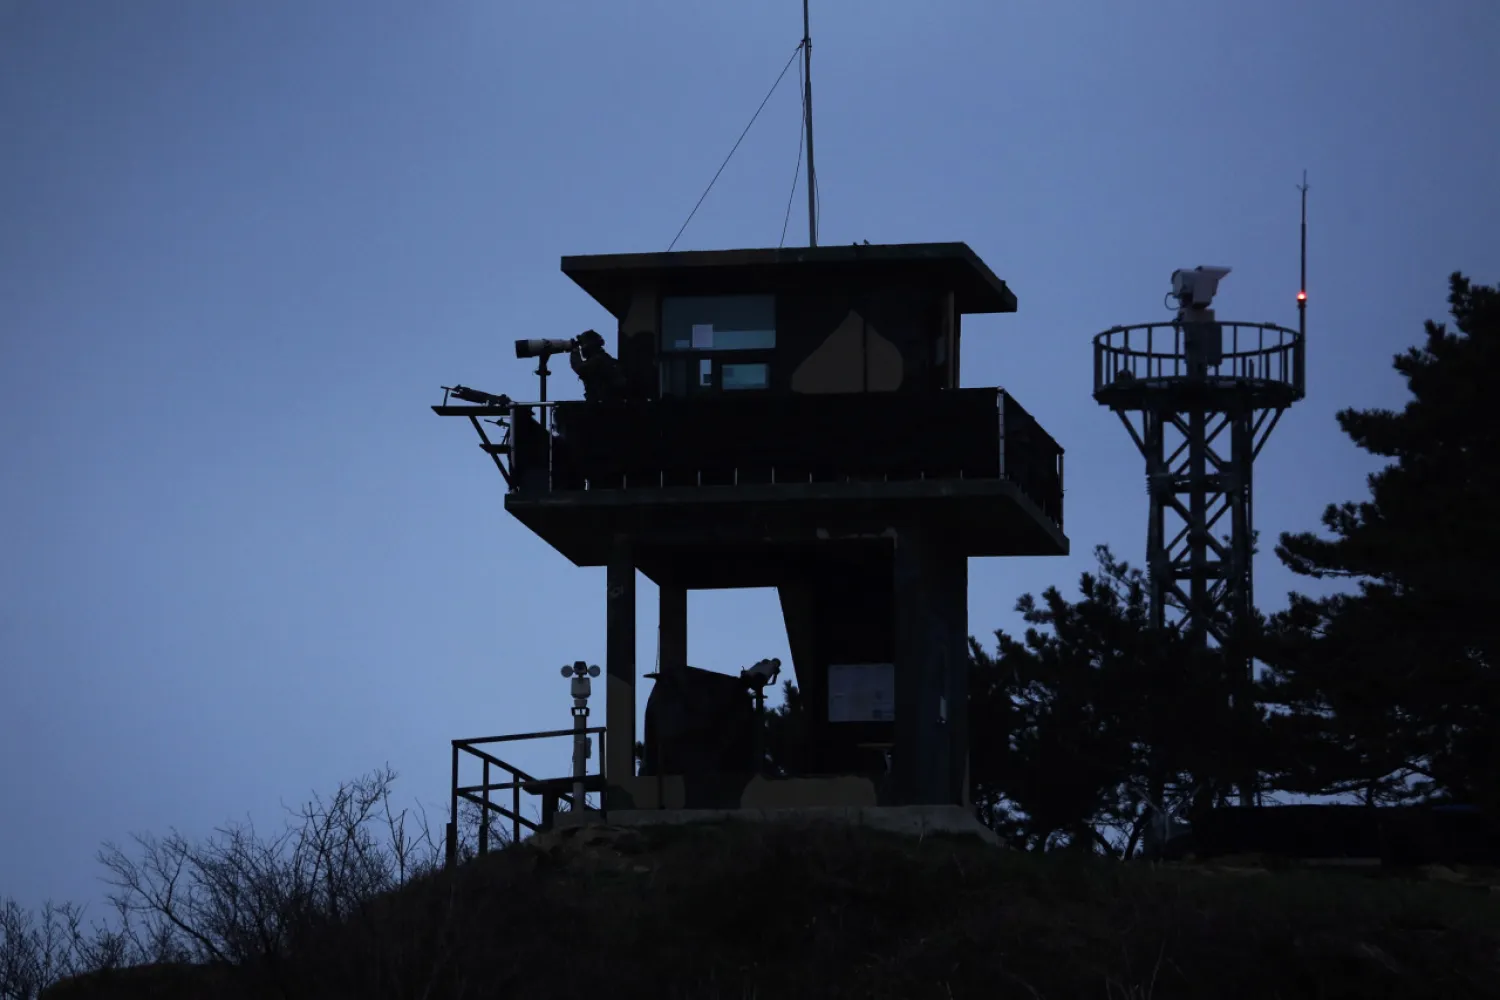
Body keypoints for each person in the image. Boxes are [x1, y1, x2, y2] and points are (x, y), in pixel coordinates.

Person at [569, 329, 627, 402]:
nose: (582, 348)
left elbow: (581, 369)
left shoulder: (598, 360)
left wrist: (574, 351)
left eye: (583, 344)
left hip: (605, 406)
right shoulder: (605, 358)